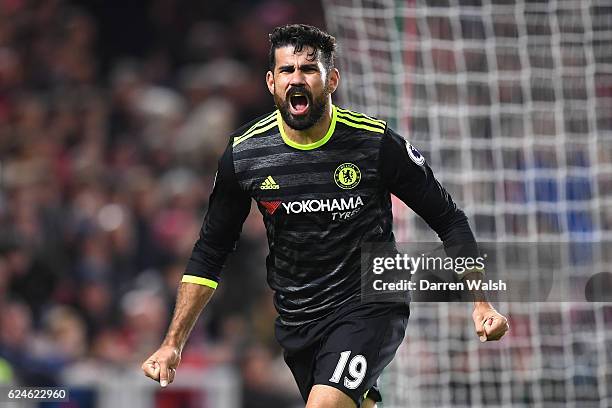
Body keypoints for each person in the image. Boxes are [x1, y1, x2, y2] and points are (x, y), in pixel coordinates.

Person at [142, 24, 509, 408]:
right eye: (287, 70)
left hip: (371, 301)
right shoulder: (245, 154)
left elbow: (448, 218)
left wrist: (480, 302)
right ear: (271, 81)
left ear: (331, 79)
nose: (296, 79)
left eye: (308, 69)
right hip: (297, 318)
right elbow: (210, 252)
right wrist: (172, 344)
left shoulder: (374, 143)